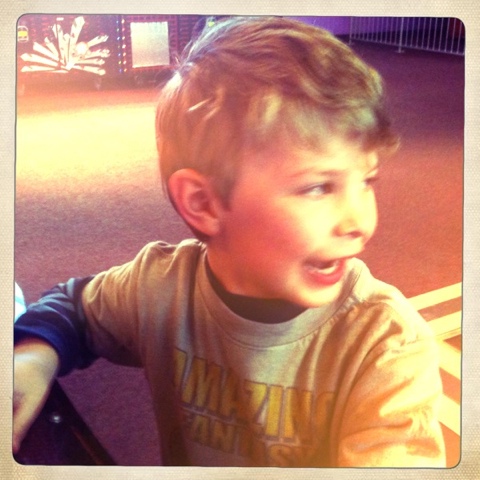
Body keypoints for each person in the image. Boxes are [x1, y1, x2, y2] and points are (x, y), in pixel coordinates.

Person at [13, 16, 446, 467]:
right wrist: (32, 361)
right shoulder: (159, 287)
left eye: (367, 180)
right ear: (203, 203)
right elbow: (74, 309)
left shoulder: (386, 344)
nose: (361, 222)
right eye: (318, 187)